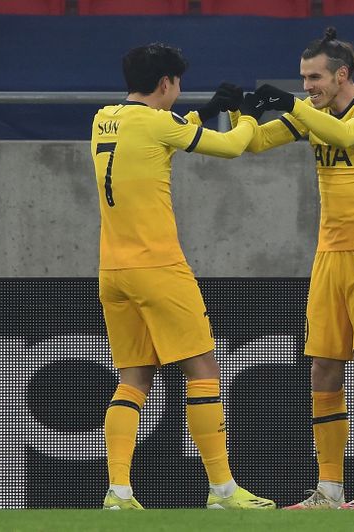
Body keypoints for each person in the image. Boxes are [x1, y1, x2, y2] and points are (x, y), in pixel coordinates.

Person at [91, 43, 275, 511]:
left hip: (112, 271)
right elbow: (233, 148)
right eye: (178, 84)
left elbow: (154, 138)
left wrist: (200, 113)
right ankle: (223, 491)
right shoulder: (159, 122)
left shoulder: (103, 118)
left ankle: (118, 492)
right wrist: (242, 114)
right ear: (167, 83)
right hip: (158, 267)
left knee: (133, 378)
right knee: (203, 371)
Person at [249, 27, 354, 510]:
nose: (308, 86)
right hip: (329, 254)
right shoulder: (313, 113)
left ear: (342, 74)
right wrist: (236, 112)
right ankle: (329, 488)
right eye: (303, 78)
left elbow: (347, 134)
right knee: (322, 370)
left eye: (315, 77)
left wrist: (293, 107)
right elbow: (252, 143)